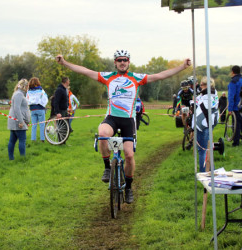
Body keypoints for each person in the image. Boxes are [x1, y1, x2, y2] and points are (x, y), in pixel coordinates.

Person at [56, 50, 191, 204]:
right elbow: (86, 71)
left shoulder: (136, 78)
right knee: (102, 133)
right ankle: (107, 167)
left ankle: (128, 188)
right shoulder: (108, 77)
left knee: (129, 155)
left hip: (128, 121)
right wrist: (64, 63)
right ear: (115, 62)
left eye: (125, 60)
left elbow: (160, 75)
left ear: (128, 62)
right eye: (119, 60)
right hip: (112, 118)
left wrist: (182, 67)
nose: (122, 62)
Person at [192, 77, 219, 172]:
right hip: (207, 124)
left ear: (208, 86)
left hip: (203, 125)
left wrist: (196, 100)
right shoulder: (213, 94)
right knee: (207, 150)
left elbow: (202, 106)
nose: (200, 86)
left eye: (202, 85)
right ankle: (212, 171)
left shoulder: (207, 96)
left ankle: (205, 174)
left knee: (203, 151)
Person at [7, 79, 31, 160]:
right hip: (18, 121)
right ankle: (22, 158)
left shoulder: (18, 93)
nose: (28, 88)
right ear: (25, 86)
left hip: (15, 120)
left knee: (12, 140)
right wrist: (21, 121)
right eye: (28, 86)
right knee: (22, 140)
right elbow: (16, 108)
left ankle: (11, 158)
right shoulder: (19, 94)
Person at [228, 65, 242, 147]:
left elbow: (231, 96)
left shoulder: (233, 82)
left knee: (236, 125)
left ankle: (236, 142)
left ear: (232, 72)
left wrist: (230, 108)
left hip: (236, 106)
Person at [26, 77, 48, 143]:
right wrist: (43, 105)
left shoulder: (28, 92)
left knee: (34, 125)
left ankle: (33, 139)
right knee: (42, 125)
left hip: (32, 109)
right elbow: (45, 99)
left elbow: (27, 99)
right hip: (40, 108)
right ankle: (42, 139)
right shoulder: (41, 90)